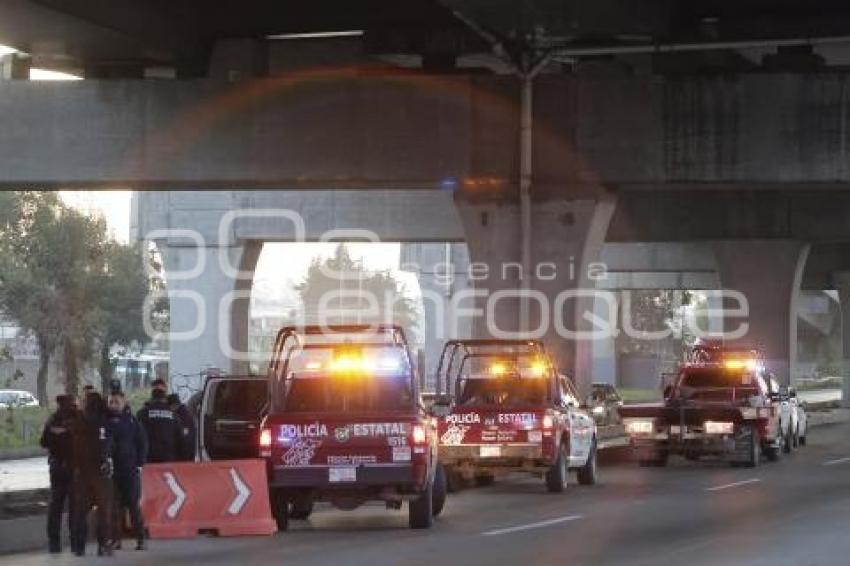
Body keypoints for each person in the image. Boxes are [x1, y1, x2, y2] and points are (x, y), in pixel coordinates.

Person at [70, 391, 114, 557]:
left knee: (81, 511)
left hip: (83, 473)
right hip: (101, 473)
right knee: (104, 511)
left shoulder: (79, 422)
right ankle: (103, 544)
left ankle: (79, 545)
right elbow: (110, 444)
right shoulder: (105, 421)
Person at [106, 391, 148, 551]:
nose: (114, 405)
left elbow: (142, 442)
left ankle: (141, 539)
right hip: (112, 472)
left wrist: (139, 464)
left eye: (116, 402)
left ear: (124, 402)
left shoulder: (132, 421)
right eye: (111, 402)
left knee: (133, 506)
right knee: (115, 508)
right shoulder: (105, 421)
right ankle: (116, 539)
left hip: (130, 471)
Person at [40, 394, 78, 553]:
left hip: (56, 467)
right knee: (75, 507)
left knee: (56, 506)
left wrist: (57, 432)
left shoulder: (53, 419)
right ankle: (75, 542)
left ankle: (54, 543)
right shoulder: (78, 419)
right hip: (73, 468)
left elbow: (43, 442)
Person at [137, 379, 182, 463]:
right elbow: (180, 438)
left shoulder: (142, 413)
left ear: (152, 394)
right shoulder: (174, 415)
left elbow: (136, 437)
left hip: (148, 459)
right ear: (165, 395)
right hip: (168, 460)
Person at [167, 393, 196, 461]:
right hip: (189, 452)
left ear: (173, 405)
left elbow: (184, 435)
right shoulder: (185, 412)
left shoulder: (180, 416)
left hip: (184, 454)